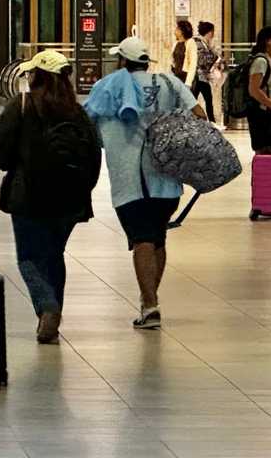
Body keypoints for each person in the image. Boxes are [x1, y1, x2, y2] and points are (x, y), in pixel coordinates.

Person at [84, 37, 206, 330]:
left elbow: (85, 120)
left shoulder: (109, 85)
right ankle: (148, 299)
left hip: (130, 180)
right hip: (167, 180)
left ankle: (150, 304)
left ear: (123, 61)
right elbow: (199, 115)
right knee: (157, 238)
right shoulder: (169, 81)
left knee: (142, 239)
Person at [0, 50, 99, 343]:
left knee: (28, 258)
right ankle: (52, 316)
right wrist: (83, 190)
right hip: (70, 200)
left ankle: (47, 307)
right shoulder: (78, 111)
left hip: (29, 196)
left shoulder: (22, 105)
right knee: (53, 255)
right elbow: (93, 156)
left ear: (37, 75)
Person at [245, 26, 271, 154]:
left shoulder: (269, 61)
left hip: (269, 115)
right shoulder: (261, 61)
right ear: (268, 41)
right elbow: (253, 89)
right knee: (267, 155)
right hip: (262, 116)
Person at [194, 21, 221, 123]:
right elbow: (201, 60)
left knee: (206, 99)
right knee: (205, 100)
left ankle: (212, 121)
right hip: (199, 77)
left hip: (202, 77)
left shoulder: (204, 43)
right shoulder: (199, 44)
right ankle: (212, 121)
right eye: (213, 31)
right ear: (209, 32)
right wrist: (214, 57)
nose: (213, 34)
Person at [171, 19, 198, 90]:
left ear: (182, 31)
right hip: (177, 76)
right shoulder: (176, 43)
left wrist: (188, 83)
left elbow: (193, 63)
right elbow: (173, 61)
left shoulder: (190, 42)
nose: (175, 30)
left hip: (186, 77)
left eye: (177, 28)